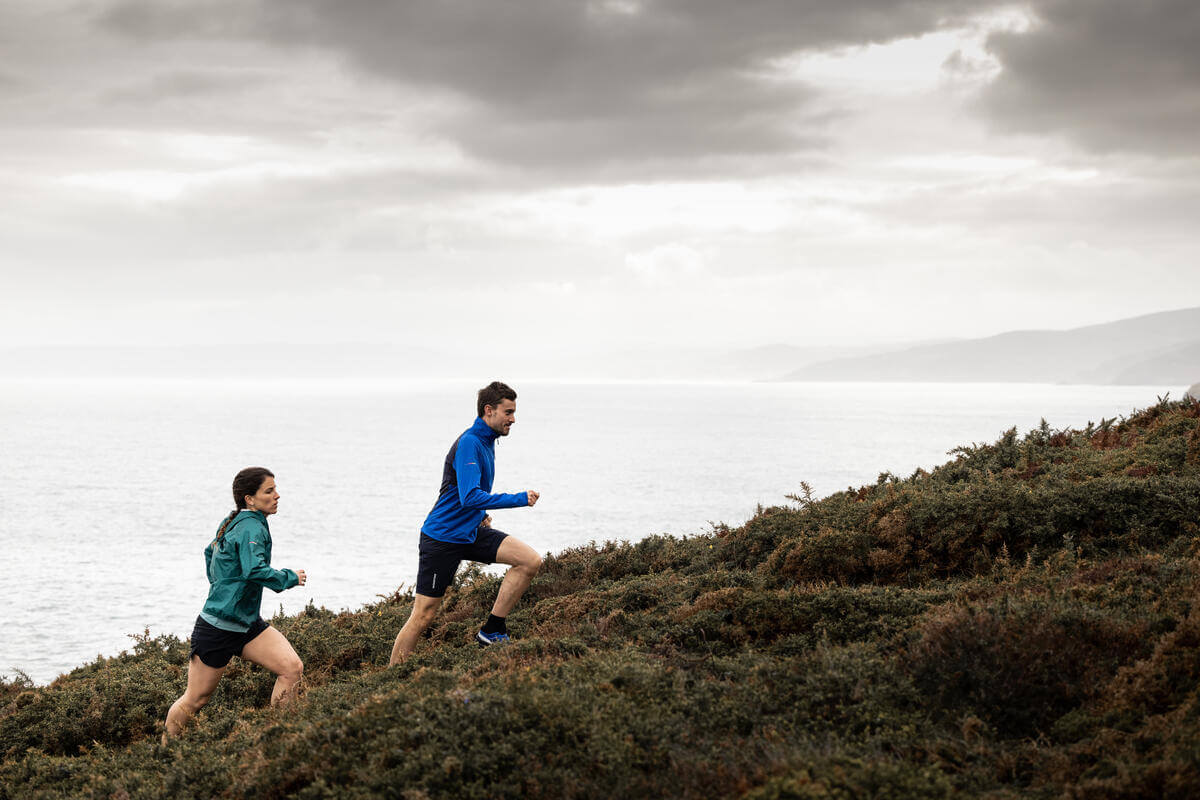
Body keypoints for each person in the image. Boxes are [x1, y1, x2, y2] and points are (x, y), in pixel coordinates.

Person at [389, 381, 542, 665]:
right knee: (423, 615)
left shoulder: (487, 441)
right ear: (489, 410)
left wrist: (481, 516)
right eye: (508, 412)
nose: (513, 419)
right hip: (442, 539)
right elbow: (470, 496)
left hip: (471, 532)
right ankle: (390, 677)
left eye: (514, 412)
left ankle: (492, 630)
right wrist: (519, 498)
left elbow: (461, 491)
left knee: (529, 561)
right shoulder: (471, 442)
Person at [163, 467, 307, 740]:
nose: (277, 495)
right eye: (269, 491)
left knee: (291, 669)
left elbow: (210, 552)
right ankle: (165, 749)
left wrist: (223, 586)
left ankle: (277, 738)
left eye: (275, 489)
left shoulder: (235, 521)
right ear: (249, 499)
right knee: (195, 699)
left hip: (246, 623)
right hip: (219, 627)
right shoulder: (251, 526)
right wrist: (288, 578)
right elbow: (254, 569)